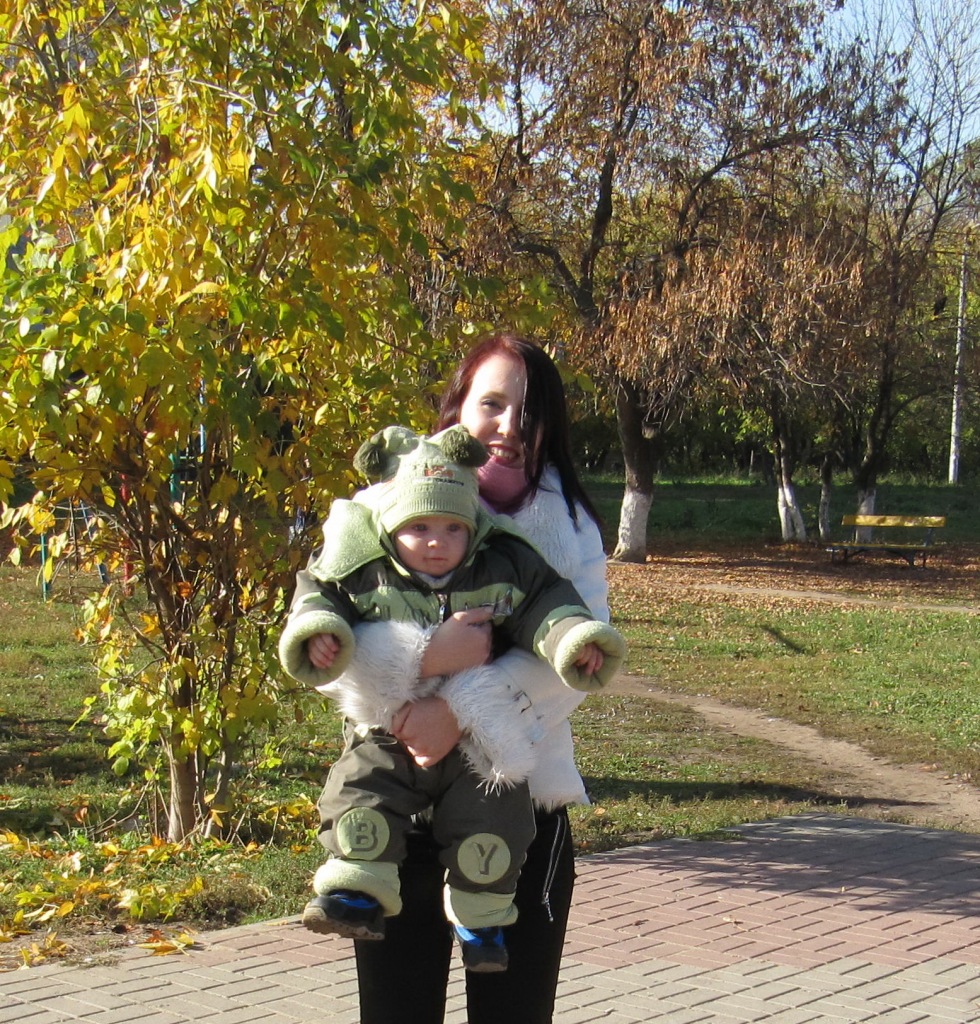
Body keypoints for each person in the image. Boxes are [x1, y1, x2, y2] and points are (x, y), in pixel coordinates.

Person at [331, 331, 613, 1024]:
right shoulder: (378, 506)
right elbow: (324, 641)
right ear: (457, 408)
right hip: (396, 809)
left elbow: (577, 665)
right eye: (492, 404)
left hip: (521, 805)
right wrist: (428, 657)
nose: (510, 426)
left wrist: (458, 710)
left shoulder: (572, 528)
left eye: (530, 411)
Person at [278, 424, 625, 974]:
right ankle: (357, 890)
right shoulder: (366, 568)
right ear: (391, 528)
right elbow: (321, 593)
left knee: (494, 812)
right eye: (419, 528)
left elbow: (547, 604)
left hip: (477, 738)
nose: (436, 542)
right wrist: (322, 633)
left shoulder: (502, 565)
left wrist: (573, 641)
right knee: (361, 789)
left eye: (452, 528)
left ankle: (481, 915)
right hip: (390, 731)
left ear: (474, 530)